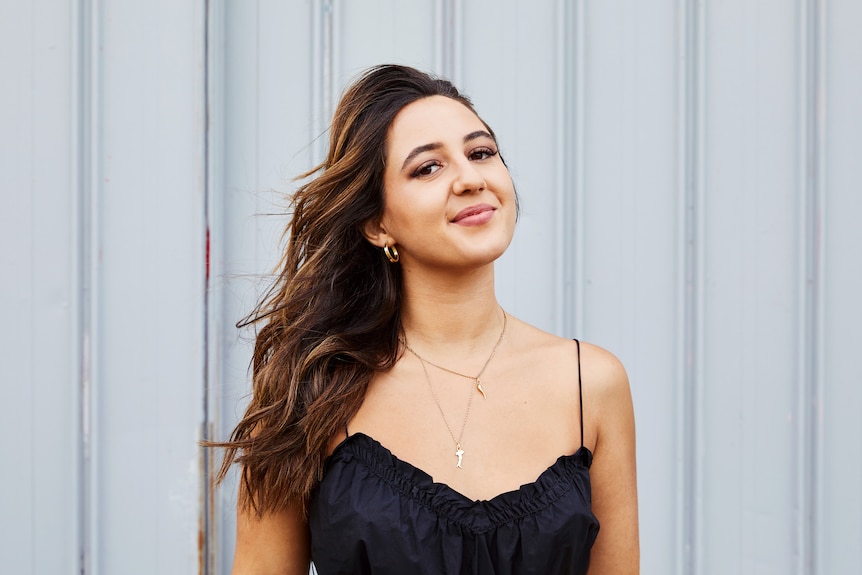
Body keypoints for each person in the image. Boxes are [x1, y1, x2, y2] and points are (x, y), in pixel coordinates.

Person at [215, 64, 639, 574]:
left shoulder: (590, 383)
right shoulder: (311, 388)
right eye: (428, 168)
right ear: (377, 223)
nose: (470, 178)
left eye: (481, 152)